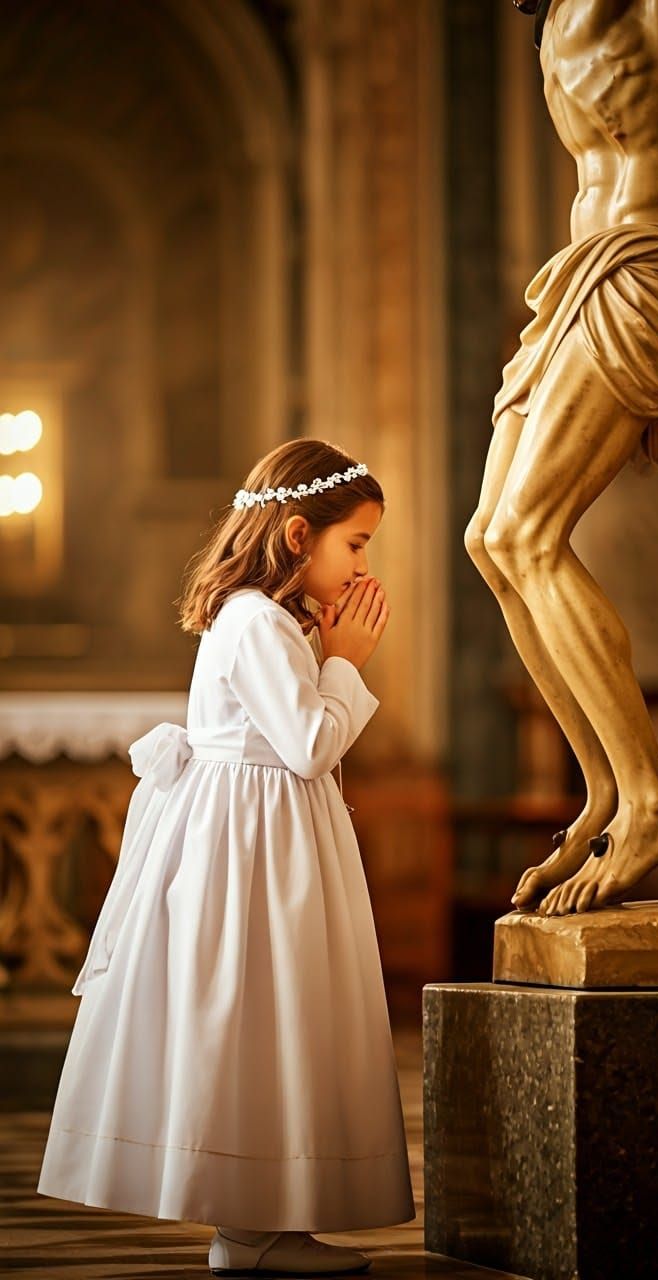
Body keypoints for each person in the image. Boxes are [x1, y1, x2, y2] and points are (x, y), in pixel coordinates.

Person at [37, 439, 415, 1276]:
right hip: (252, 853)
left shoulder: (272, 621)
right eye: (354, 543)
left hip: (273, 840)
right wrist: (347, 663)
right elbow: (310, 744)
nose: (361, 566)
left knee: (277, 1024)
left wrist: (327, 655)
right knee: (252, 1018)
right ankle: (247, 1225)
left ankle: (264, 1223)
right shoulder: (253, 620)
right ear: (294, 536)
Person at [466, 0, 658, 917]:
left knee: (528, 533)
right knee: (489, 539)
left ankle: (653, 799)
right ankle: (603, 789)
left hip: (643, 266)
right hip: (578, 273)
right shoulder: (552, 20)